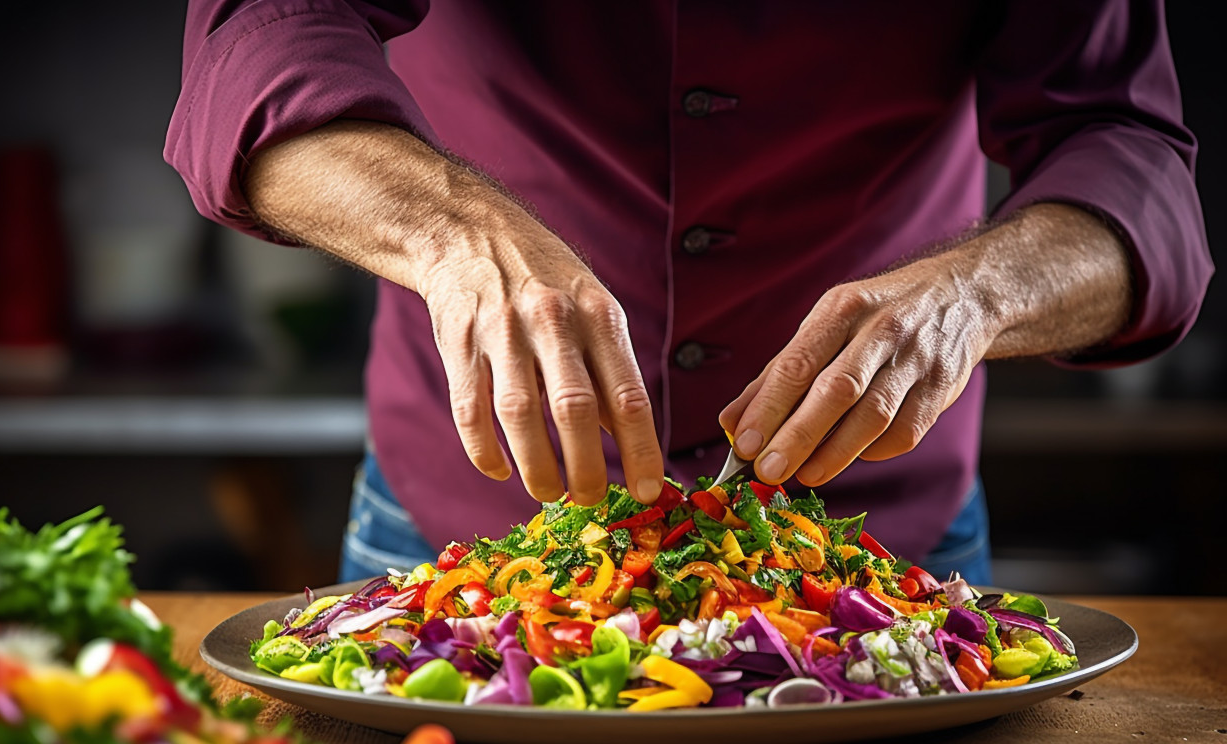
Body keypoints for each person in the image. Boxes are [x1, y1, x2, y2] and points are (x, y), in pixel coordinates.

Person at [165, 1, 1211, 586]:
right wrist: (453, 237)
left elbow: (1122, 144)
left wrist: (976, 293)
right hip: (453, 531)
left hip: (880, 547)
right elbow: (259, 32)